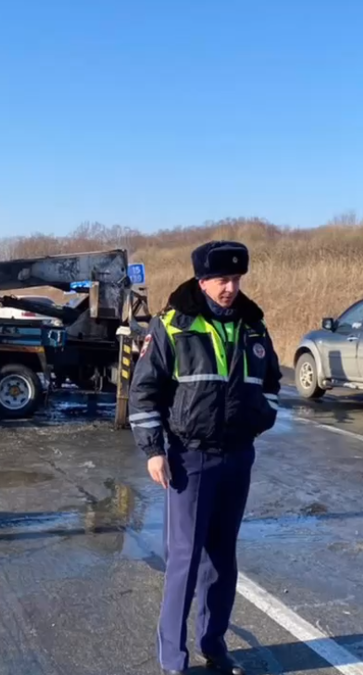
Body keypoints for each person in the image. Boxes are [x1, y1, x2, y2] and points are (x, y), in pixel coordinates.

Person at [129, 240, 283, 675]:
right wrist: (154, 450)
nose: (230, 288)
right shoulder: (174, 324)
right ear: (202, 280)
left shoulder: (253, 326)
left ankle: (214, 645)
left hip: (237, 457)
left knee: (222, 558)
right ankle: (173, 660)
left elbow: (271, 380)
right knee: (184, 559)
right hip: (188, 458)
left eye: (236, 279)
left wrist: (260, 417)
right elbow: (145, 391)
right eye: (221, 280)